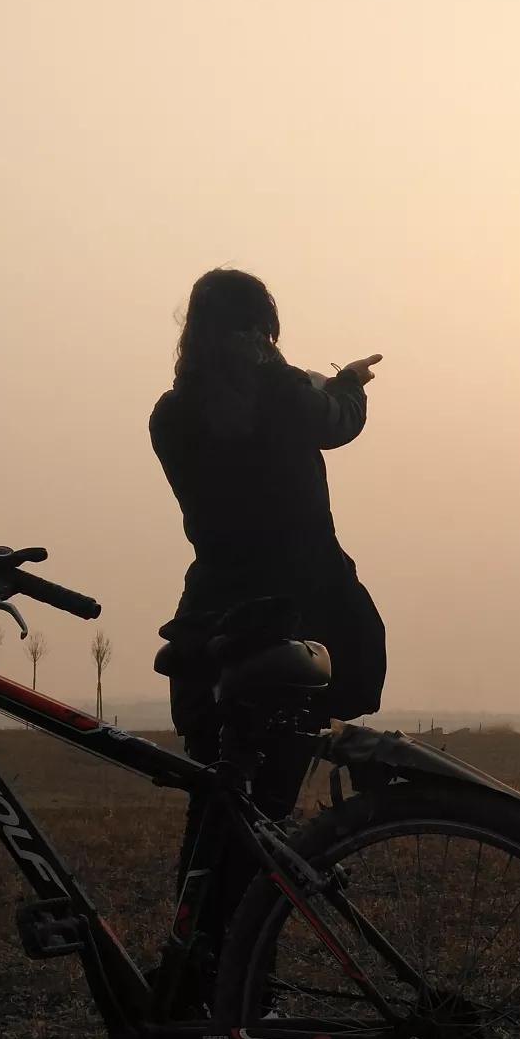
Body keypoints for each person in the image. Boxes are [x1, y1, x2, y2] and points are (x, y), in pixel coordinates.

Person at [149, 267, 386, 804]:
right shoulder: (284, 397)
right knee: (274, 798)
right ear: (258, 332)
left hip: (212, 621)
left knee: (216, 801)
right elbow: (339, 421)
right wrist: (348, 381)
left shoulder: (169, 416)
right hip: (297, 618)